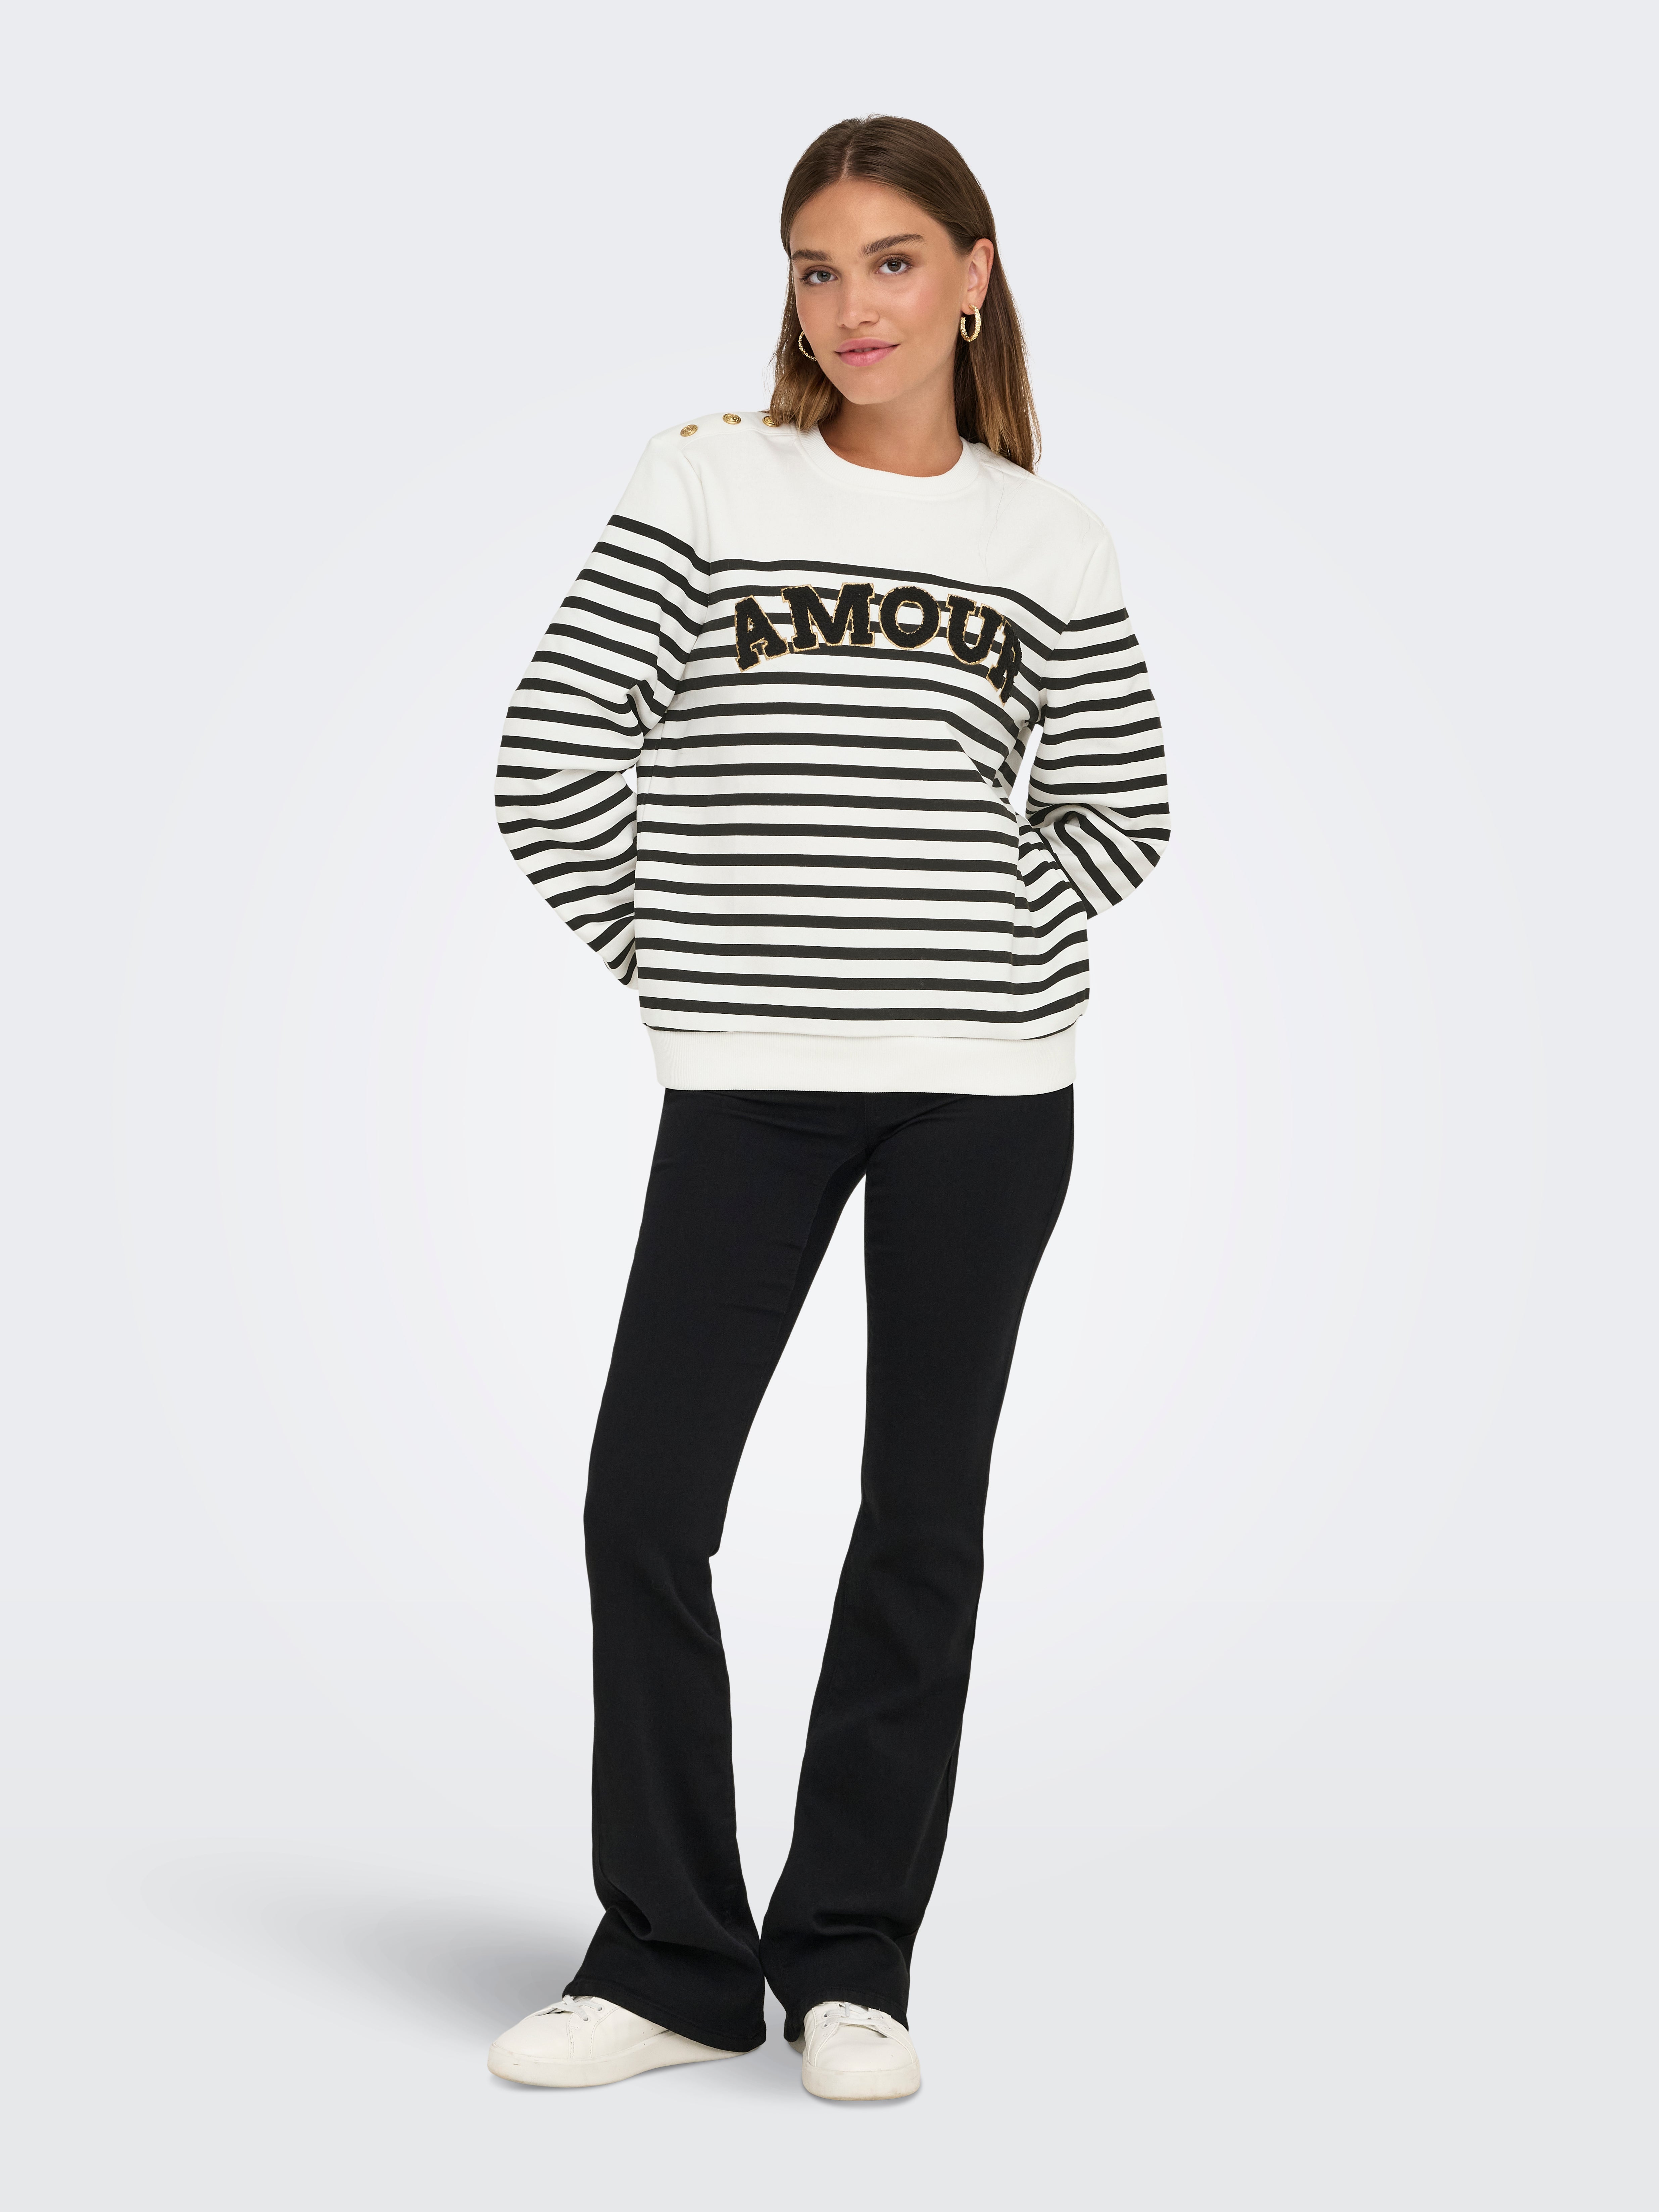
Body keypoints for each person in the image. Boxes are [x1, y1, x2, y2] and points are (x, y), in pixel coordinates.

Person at [486, 113, 1169, 2101]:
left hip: (986, 1093)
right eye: (814, 266)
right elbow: (549, 761)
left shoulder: (1051, 538)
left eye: (891, 260)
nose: (850, 305)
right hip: (751, 1089)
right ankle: (673, 1963)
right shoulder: (708, 480)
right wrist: (696, 963)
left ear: (973, 275)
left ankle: (853, 1962)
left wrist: (981, 933)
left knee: (920, 1521)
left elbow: (1120, 810)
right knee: (646, 1506)